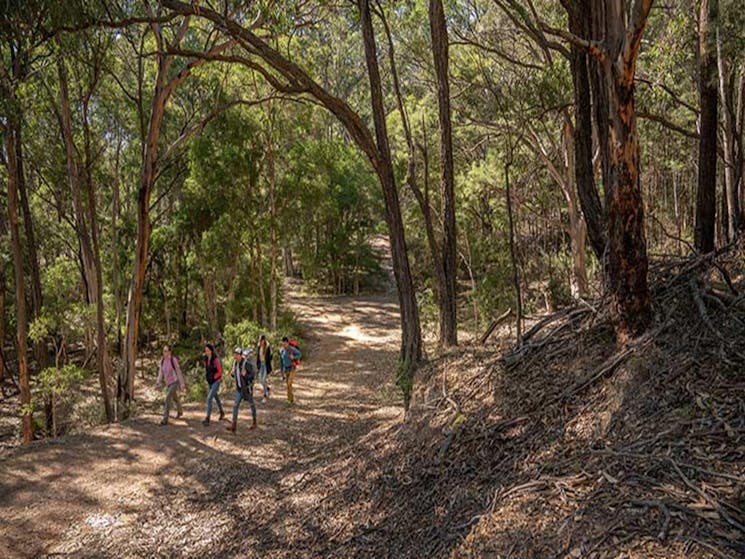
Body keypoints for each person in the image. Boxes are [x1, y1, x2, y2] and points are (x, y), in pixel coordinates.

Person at [226, 347, 257, 432]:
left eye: (237, 355)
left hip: (247, 389)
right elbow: (235, 375)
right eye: (235, 354)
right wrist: (232, 374)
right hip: (239, 389)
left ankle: (254, 422)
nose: (235, 356)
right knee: (235, 406)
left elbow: (252, 376)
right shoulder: (235, 364)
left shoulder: (246, 364)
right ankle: (234, 425)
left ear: (240, 355)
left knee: (251, 404)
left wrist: (245, 375)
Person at [155, 344, 185, 425]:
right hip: (168, 383)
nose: (164, 353)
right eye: (163, 351)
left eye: (166, 351)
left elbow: (178, 371)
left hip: (174, 382)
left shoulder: (173, 360)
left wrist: (182, 383)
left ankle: (165, 419)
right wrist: (158, 382)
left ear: (169, 352)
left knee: (168, 397)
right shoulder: (162, 361)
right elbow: (160, 373)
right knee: (175, 398)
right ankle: (180, 410)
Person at [202, 343, 225, 426]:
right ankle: (222, 412)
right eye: (205, 351)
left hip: (216, 381)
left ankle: (207, 418)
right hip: (210, 381)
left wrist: (215, 377)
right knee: (216, 397)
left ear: (211, 351)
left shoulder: (216, 360)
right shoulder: (206, 359)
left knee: (209, 398)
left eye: (208, 350)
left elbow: (220, 371)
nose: (206, 352)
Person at [279, 336, 301, 405]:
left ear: (288, 343)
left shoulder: (292, 349)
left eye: (285, 343)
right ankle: (290, 399)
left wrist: (294, 357)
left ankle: (289, 400)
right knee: (288, 385)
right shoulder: (282, 351)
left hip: (292, 368)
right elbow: (281, 362)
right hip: (286, 369)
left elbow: (299, 354)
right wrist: (281, 372)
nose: (284, 345)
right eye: (283, 344)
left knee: (289, 383)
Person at [256, 334, 273, 401]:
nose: (261, 342)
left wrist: (270, 365)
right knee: (260, 379)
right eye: (260, 340)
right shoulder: (259, 346)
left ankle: (265, 394)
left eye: (262, 340)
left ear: (264, 340)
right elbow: (258, 357)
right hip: (261, 364)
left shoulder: (267, 347)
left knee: (263, 379)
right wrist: (257, 365)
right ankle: (267, 388)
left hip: (266, 365)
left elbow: (270, 357)